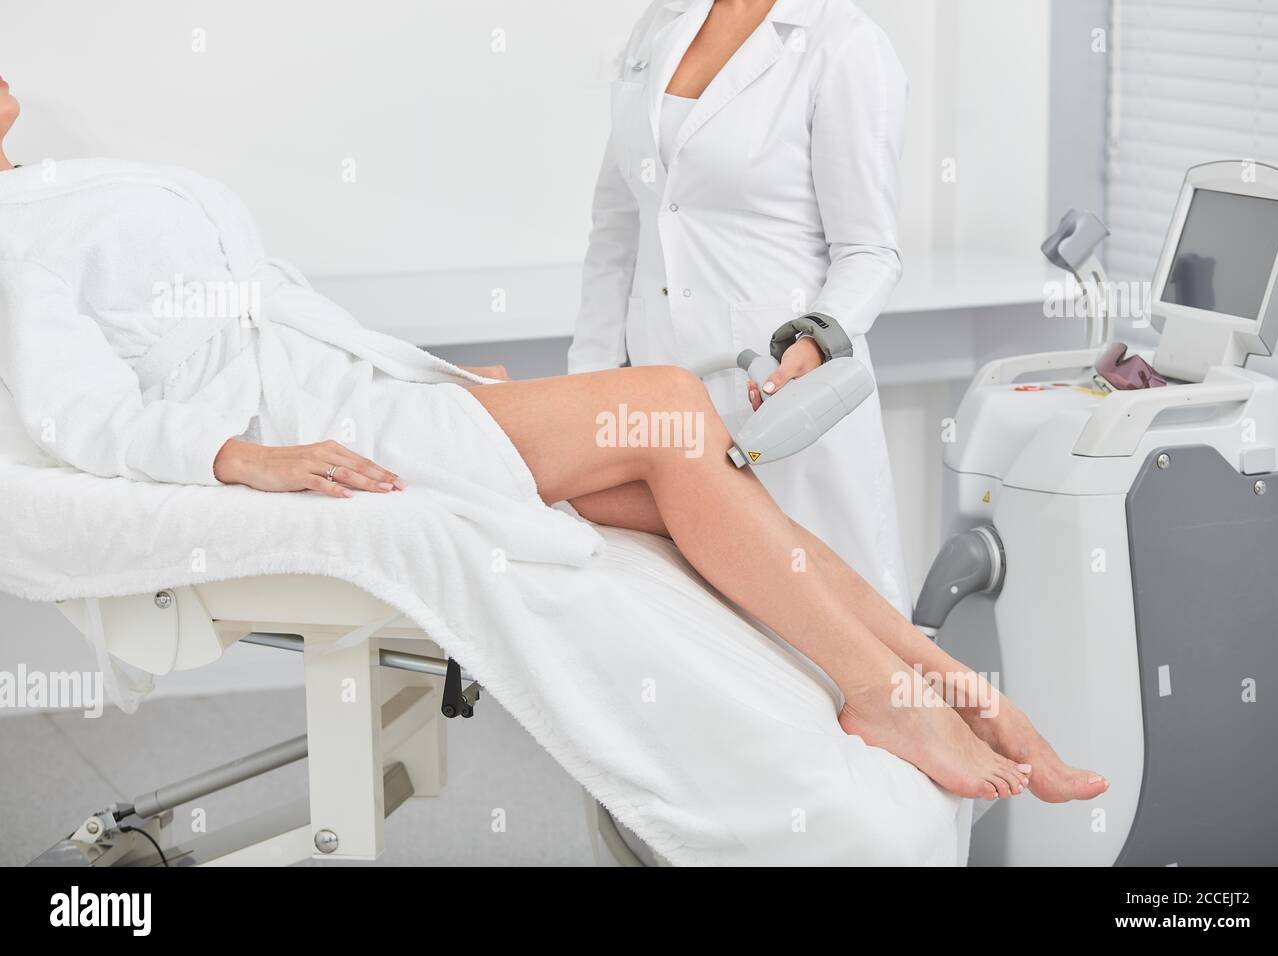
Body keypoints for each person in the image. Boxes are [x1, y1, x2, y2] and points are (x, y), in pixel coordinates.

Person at [0, 74, 1106, 804]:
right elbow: (78, 414)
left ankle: (950, 688)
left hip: (365, 384)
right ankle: (888, 694)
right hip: (317, 425)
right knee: (672, 408)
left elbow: (273, 305)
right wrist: (239, 459)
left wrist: (427, 373)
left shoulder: (67, 185)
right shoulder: (13, 244)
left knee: (716, 495)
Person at [570, 0, 912, 615]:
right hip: (665, 404)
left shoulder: (843, 43)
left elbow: (869, 251)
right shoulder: (660, 24)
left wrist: (816, 339)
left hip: (785, 399)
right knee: (708, 643)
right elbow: (618, 229)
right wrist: (585, 391)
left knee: (827, 639)